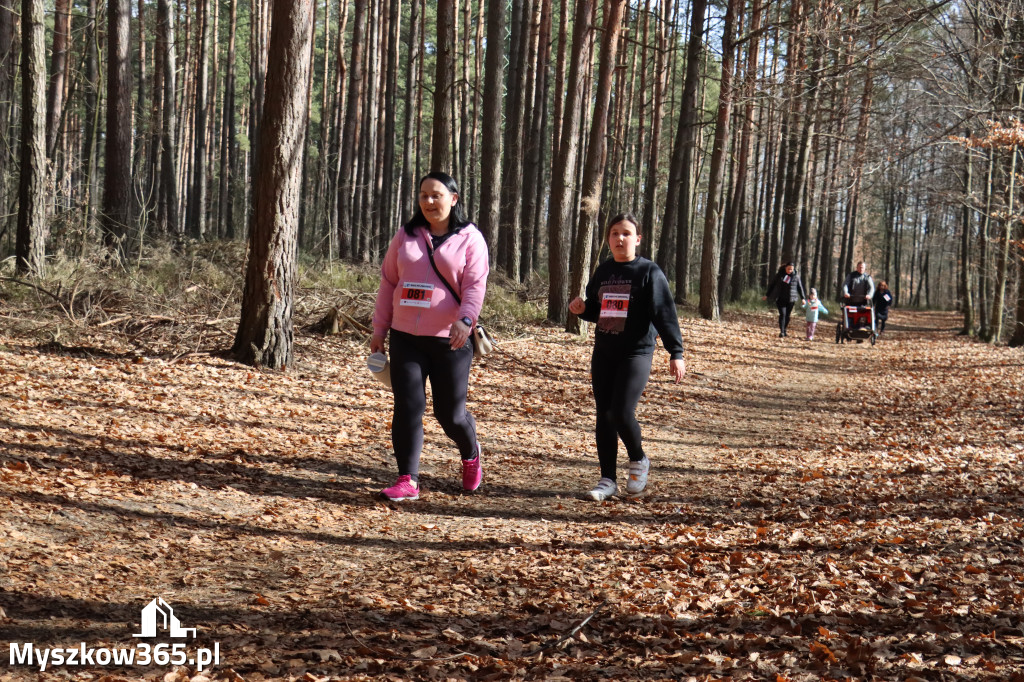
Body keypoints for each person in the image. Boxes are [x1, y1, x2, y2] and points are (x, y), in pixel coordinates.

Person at [371, 172, 488, 501]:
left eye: (436, 195)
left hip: (450, 338)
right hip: (405, 335)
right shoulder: (406, 235)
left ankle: (470, 454)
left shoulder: (470, 238)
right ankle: (407, 478)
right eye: (423, 195)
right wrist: (380, 329)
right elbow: (388, 283)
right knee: (408, 405)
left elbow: (475, 285)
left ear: (454, 199)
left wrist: (466, 320)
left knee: (450, 414)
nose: (429, 201)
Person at [568, 213, 685, 502]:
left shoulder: (649, 272)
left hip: (637, 352)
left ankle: (638, 459)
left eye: (626, 233)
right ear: (608, 239)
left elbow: (664, 313)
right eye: (614, 234)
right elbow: (598, 310)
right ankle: (607, 479)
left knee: (620, 412)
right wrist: (582, 309)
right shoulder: (604, 271)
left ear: (637, 238)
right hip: (605, 352)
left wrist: (676, 352)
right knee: (603, 417)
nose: (620, 239)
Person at [763, 262, 807, 337]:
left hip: (791, 299)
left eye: (791, 269)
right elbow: (772, 285)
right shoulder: (779, 275)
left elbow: (800, 287)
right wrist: (767, 295)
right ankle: (782, 331)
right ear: (785, 268)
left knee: (787, 316)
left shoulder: (796, 276)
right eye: (788, 269)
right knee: (782, 314)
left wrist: (803, 298)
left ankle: (784, 329)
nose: (790, 270)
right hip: (780, 298)